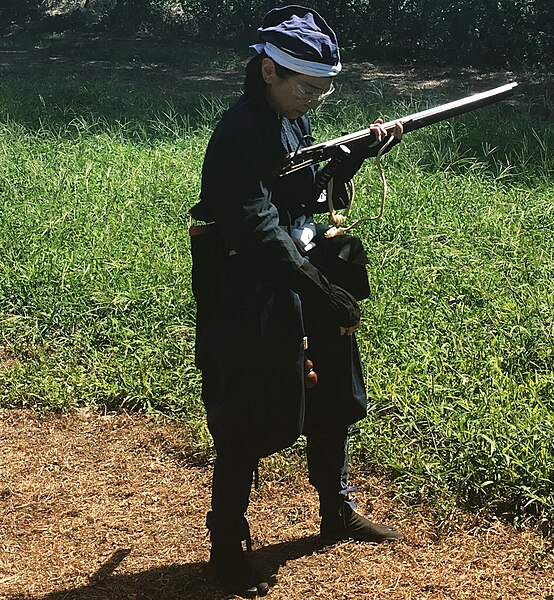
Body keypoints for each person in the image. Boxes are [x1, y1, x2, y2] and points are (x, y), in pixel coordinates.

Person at [189, 5, 404, 597]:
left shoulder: (290, 121)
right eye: (306, 88)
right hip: (248, 287)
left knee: (333, 392)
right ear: (268, 71)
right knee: (245, 414)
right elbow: (258, 231)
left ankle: (336, 509)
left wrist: (356, 155)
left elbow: (302, 193)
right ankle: (227, 542)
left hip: (303, 272)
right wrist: (323, 289)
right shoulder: (236, 134)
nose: (313, 100)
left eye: (323, 91)